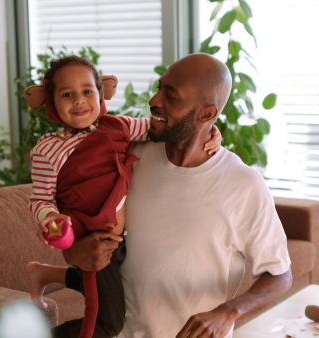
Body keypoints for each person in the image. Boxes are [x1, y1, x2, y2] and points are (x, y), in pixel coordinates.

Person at [62, 53, 293, 338]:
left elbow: (280, 274)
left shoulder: (243, 184)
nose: (154, 100)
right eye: (159, 87)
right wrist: (73, 251)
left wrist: (228, 312)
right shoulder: (130, 155)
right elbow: (80, 217)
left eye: (171, 96)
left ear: (207, 114)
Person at [25, 55, 221, 337]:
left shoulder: (121, 126)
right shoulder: (48, 149)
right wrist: (51, 219)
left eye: (87, 92)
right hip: (92, 245)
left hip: (122, 243)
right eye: (67, 94)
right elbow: (40, 199)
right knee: (106, 325)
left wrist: (212, 130)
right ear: (51, 101)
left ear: (102, 93)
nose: (79, 101)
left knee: (129, 286)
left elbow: (167, 125)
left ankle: (42, 273)